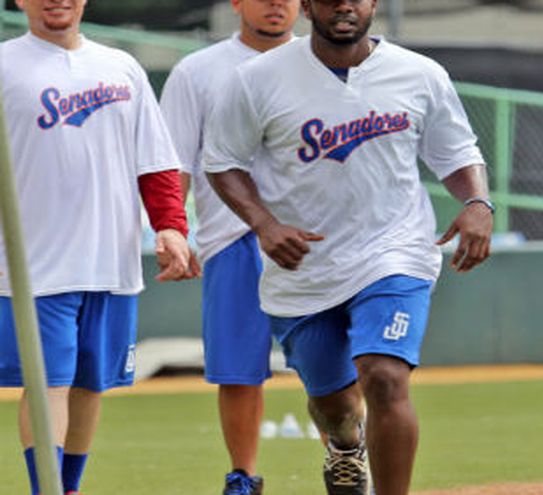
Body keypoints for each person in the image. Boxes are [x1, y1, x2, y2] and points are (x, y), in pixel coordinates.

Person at [201, 0, 494, 493]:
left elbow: (457, 151)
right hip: (304, 265)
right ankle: (344, 445)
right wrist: (265, 225)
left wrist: (478, 202)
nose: (344, 5)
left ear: (373, 3)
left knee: (384, 377)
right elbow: (222, 161)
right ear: (307, 5)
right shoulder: (257, 79)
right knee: (334, 407)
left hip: (395, 250)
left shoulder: (419, 74)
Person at [0, 1, 197, 494]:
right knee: (48, 385)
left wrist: (171, 226)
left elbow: (155, 160)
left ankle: (67, 488)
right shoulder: (5, 65)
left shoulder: (121, 66)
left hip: (111, 261)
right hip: (33, 265)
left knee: (91, 384)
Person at [159, 1, 299, 493]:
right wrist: (173, 228)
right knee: (239, 372)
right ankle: (243, 476)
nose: (277, 3)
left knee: (332, 368)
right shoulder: (197, 71)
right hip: (231, 236)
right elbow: (174, 161)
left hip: (314, 240)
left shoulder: (323, 62)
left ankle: (347, 467)